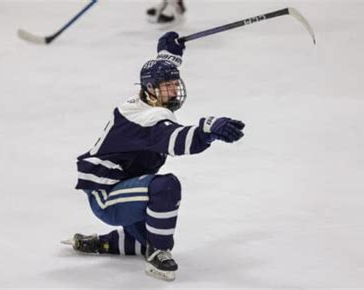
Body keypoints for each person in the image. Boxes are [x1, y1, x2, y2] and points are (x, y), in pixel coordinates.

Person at [64, 32, 245, 281]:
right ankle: (159, 255)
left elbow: (155, 76)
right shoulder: (148, 118)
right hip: (107, 196)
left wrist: (168, 56)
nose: (173, 91)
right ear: (150, 89)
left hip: (121, 188)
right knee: (166, 187)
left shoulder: (145, 101)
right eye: (167, 86)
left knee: (146, 238)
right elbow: (178, 141)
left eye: (174, 84)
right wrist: (208, 129)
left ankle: (103, 243)